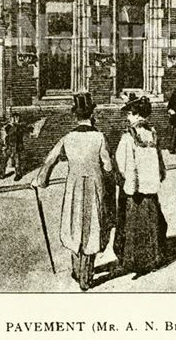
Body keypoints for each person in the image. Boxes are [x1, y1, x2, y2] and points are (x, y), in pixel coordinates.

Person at [32, 93, 114, 292]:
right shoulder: (99, 137)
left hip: (74, 189)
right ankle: (87, 275)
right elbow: (109, 166)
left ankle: (77, 271)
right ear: (91, 115)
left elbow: (49, 160)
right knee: (93, 226)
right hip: (95, 187)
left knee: (74, 224)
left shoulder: (68, 138)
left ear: (75, 116)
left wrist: (40, 180)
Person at [113, 95, 167, 276]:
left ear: (136, 115)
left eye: (129, 114)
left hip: (134, 190)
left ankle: (133, 261)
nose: (128, 118)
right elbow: (159, 159)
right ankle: (153, 256)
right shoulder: (152, 132)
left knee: (133, 224)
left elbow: (121, 160)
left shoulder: (129, 136)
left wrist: (123, 178)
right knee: (151, 220)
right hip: (150, 187)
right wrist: (158, 175)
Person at [0, 110, 26, 181]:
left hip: (16, 147)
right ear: (11, 118)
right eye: (14, 118)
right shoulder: (8, 127)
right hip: (8, 146)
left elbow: (20, 136)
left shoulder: (19, 127)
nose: (16, 119)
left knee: (17, 162)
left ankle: (18, 175)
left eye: (17, 118)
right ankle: (2, 174)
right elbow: (5, 136)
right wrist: (4, 146)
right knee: (4, 161)